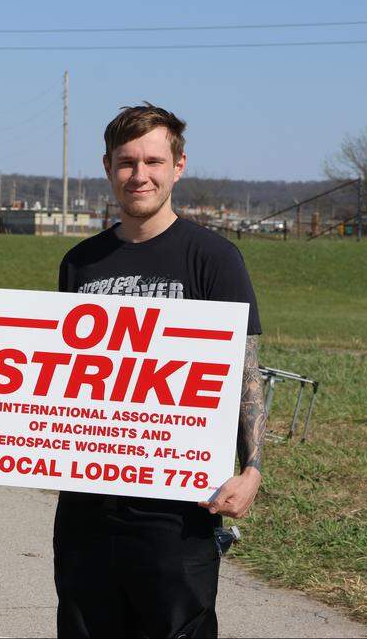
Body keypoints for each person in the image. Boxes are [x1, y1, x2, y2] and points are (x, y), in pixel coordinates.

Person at [54, 103, 266, 638]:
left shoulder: (213, 258)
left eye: (153, 160)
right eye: (127, 162)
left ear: (179, 166)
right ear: (107, 167)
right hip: (88, 503)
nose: (139, 175)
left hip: (178, 505)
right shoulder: (80, 262)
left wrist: (253, 469)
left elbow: (245, 371)